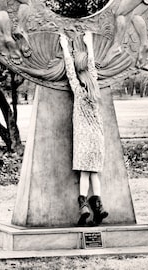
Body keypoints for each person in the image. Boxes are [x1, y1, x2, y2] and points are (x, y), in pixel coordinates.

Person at [59, 32, 108, 226]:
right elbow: (92, 66)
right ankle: (99, 207)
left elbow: (70, 69)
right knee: (94, 173)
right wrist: (89, 44)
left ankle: (84, 207)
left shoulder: (78, 90)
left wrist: (64, 46)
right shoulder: (94, 85)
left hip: (83, 138)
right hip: (97, 137)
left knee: (84, 175)